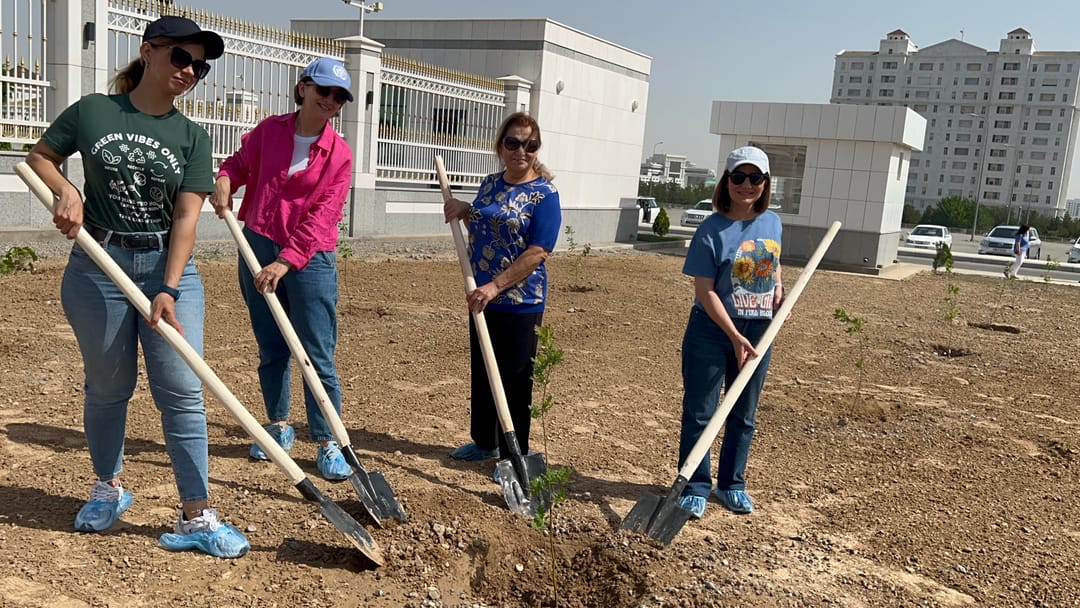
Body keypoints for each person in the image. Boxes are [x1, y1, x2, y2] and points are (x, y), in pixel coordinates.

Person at [24, 16, 249, 558]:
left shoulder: (193, 135)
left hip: (167, 269)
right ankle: (108, 486)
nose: (190, 70)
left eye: (200, 65)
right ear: (148, 52)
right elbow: (38, 158)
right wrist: (66, 190)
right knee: (108, 387)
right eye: (180, 57)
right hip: (97, 266)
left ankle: (196, 514)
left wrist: (169, 288)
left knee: (183, 390)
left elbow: (187, 220)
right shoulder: (95, 111)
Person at [211, 57, 355, 481]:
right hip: (256, 242)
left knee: (316, 351)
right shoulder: (269, 131)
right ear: (304, 87)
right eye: (324, 91)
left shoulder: (339, 154)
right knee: (271, 345)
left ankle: (329, 439)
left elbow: (323, 215)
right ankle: (278, 425)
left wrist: (285, 261)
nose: (330, 101)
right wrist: (225, 178)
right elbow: (239, 164)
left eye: (339, 96)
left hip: (310, 259)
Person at [443, 112, 562, 465]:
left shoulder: (545, 194)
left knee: (515, 378)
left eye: (530, 144)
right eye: (513, 142)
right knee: (482, 370)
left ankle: (514, 455)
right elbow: (487, 224)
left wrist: (496, 286)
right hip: (481, 295)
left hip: (520, 301)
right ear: (500, 146)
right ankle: (484, 441)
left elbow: (538, 251)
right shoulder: (491, 183)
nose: (521, 151)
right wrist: (465, 210)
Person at [675, 146, 783, 519]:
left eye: (755, 178)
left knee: (744, 412)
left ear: (765, 183)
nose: (746, 185)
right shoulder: (710, 229)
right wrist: (734, 335)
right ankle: (695, 486)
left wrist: (779, 288)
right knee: (701, 412)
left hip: (758, 330)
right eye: (739, 177)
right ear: (726, 181)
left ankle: (732, 484)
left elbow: (773, 264)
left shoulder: (773, 223)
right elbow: (704, 291)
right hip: (712, 328)